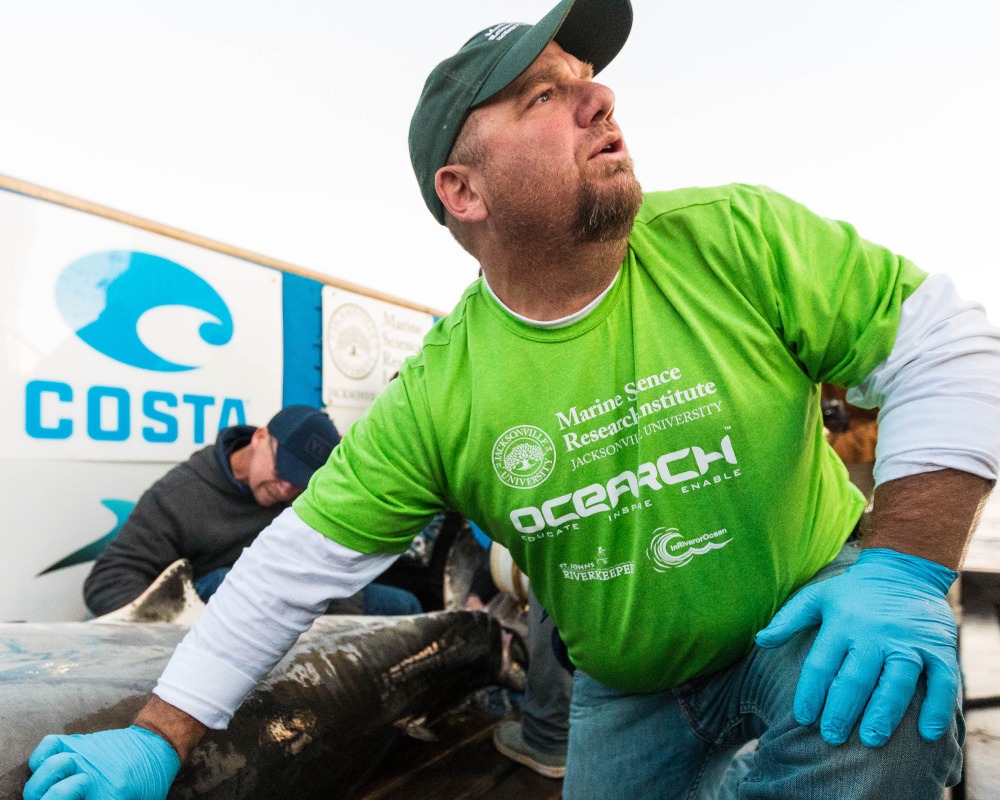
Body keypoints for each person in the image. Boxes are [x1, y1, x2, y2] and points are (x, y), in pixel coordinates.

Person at [24, 1, 1000, 798]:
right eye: (545, 94)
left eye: (588, 82)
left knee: (890, 703)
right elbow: (285, 573)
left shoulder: (734, 236)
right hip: (627, 692)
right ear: (464, 191)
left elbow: (946, 339)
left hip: (802, 626)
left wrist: (902, 568)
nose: (599, 99)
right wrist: (157, 733)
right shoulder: (443, 394)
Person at [82, 405, 419, 617]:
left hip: (297, 601)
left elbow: (329, 565)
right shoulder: (180, 496)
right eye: (282, 470)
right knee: (228, 581)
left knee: (406, 606)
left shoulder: (304, 494)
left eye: (299, 481)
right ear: (259, 437)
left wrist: (333, 627)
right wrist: (185, 622)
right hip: (212, 612)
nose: (287, 488)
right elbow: (106, 582)